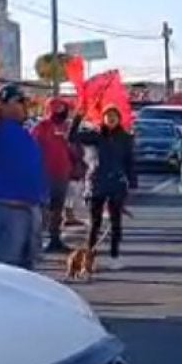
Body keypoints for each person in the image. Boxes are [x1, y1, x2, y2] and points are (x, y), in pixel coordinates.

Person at [0, 34, 48, 270]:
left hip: (31, 210)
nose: (25, 106)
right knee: (7, 271)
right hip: (6, 210)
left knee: (29, 272)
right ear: (2, 105)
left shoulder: (25, 131)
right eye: (19, 101)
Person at [69, 104, 136, 270]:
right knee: (95, 223)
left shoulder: (126, 138)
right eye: (108, 115)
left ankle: (114, 255)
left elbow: (130, 162)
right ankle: (89, 258)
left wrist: (132, 183)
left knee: (115, 222)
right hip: (96, 182)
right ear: (103, 118)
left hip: (116, 183)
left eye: (114, 115)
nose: (111, 118)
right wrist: (78, 118)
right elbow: (72, 137)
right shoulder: (95, 136)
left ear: (119, 119)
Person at [32, 98, 74, 253]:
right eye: (57, 108)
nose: (60, 111)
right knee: (43, 209)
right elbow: (33, 147)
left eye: (63, 108)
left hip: (62, 172)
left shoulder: (68, 127)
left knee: (58, 208)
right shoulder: (42, 127)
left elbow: (74, 148)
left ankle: (55, 239)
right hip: (45, 173)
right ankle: (37, 241)